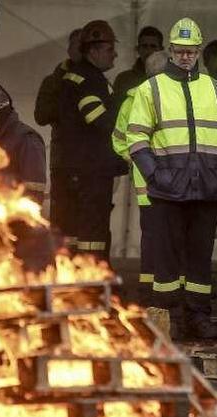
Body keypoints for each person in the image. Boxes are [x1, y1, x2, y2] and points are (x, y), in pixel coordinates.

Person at [126, 18, 217, 340]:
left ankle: (198, 316)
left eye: (191, 51)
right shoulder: (151, 89)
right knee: (166, 262)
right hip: (167, 191)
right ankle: (171, 318)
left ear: (199, 51)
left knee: (200, 259)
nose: (186, 56)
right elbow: (136, 139)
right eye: (179, 51)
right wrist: (156, 175)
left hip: (206, 189)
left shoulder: (215, 89)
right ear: (170, 51)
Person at [58, 20, 127, 260]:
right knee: (92, 228)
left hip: (78, 166)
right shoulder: (91, 79)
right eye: (110, 49)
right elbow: (97, 118)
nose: (115, 54)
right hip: (92, 169)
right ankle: (93, 282)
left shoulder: (76, 76)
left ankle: (79, 279)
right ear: (94, 50)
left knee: (77, 227)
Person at [111, 51, 169, 304]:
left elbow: (119, 141)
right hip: (165, 185)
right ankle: (159, 289)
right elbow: (120, 140)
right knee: (165, 237)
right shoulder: (171, 99)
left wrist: (136, 160)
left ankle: (153, 289)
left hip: (155, 184)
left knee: (153, 238)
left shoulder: (131, 101)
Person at [0, 86, 52, 272]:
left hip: (17, 231)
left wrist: (17, 225)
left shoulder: (26, 139)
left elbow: (34, 190)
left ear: (0, 109)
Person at [35, 28, 82, 245]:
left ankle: (89, 267)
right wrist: (65, 102)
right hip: (63, 160)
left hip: (92, 164)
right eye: (77, 45)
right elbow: (41, 116)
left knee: (89, 221)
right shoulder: (53, 81)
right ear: (70, 49)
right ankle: (59, 265)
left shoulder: (98, 81)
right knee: (61, 217)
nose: (81, 51)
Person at [112, 25, 164, 103]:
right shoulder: (124, 79)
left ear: (161, 50)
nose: (149, 51)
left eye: (153, 46)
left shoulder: (170, 78)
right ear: (138, 49)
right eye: (144, 46)